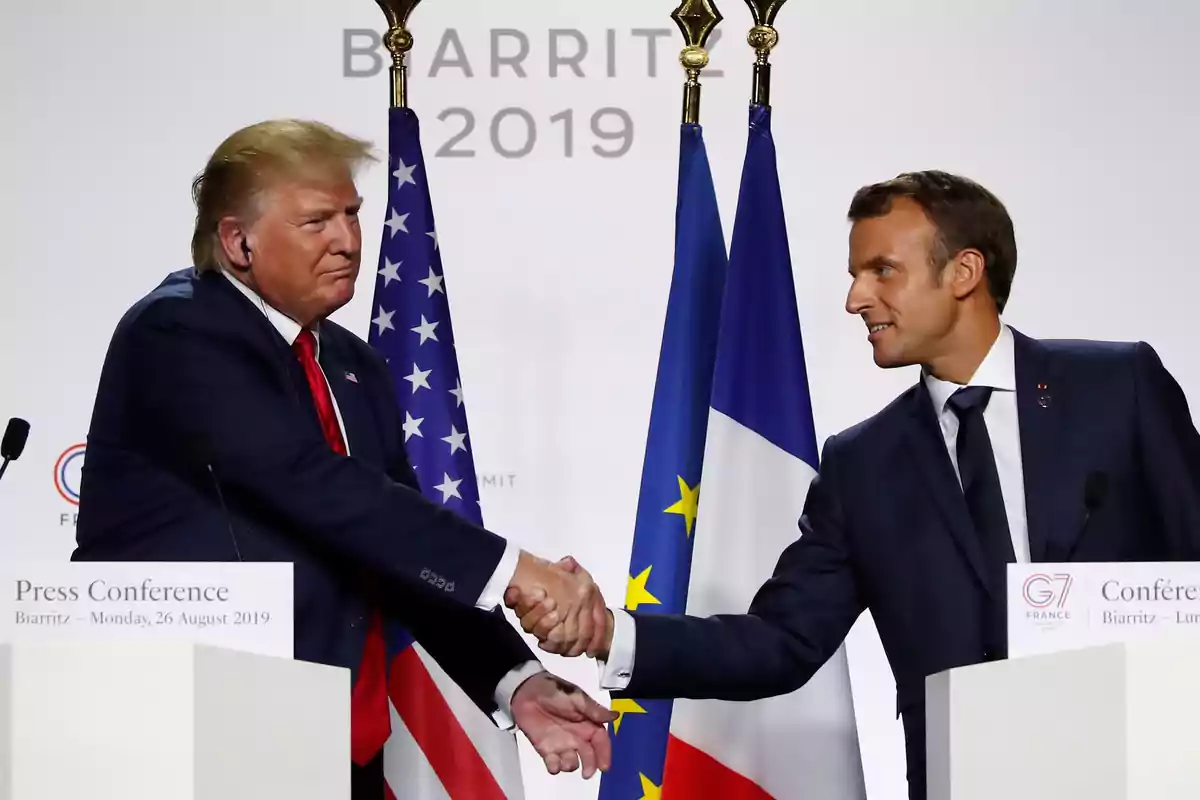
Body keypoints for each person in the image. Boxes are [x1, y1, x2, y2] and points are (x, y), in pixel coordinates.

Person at [506, 170, 1200, 800]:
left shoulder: (1119, 389)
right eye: (855, 274)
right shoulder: (863, 462)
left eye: (882, 271)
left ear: (963, 272)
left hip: (1147, 770)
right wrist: (612, 635)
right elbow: (779, 642)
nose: (854, 298)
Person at [73, 118, 614, 798]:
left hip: (333, 748)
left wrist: (519, 680)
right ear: (238, 241)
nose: (348, 240)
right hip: (200, 739)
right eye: (316, 222)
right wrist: (517, 570)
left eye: (353, 215)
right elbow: (308, 482)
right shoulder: (179, 330)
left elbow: (400, 544)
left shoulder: (353, 363)